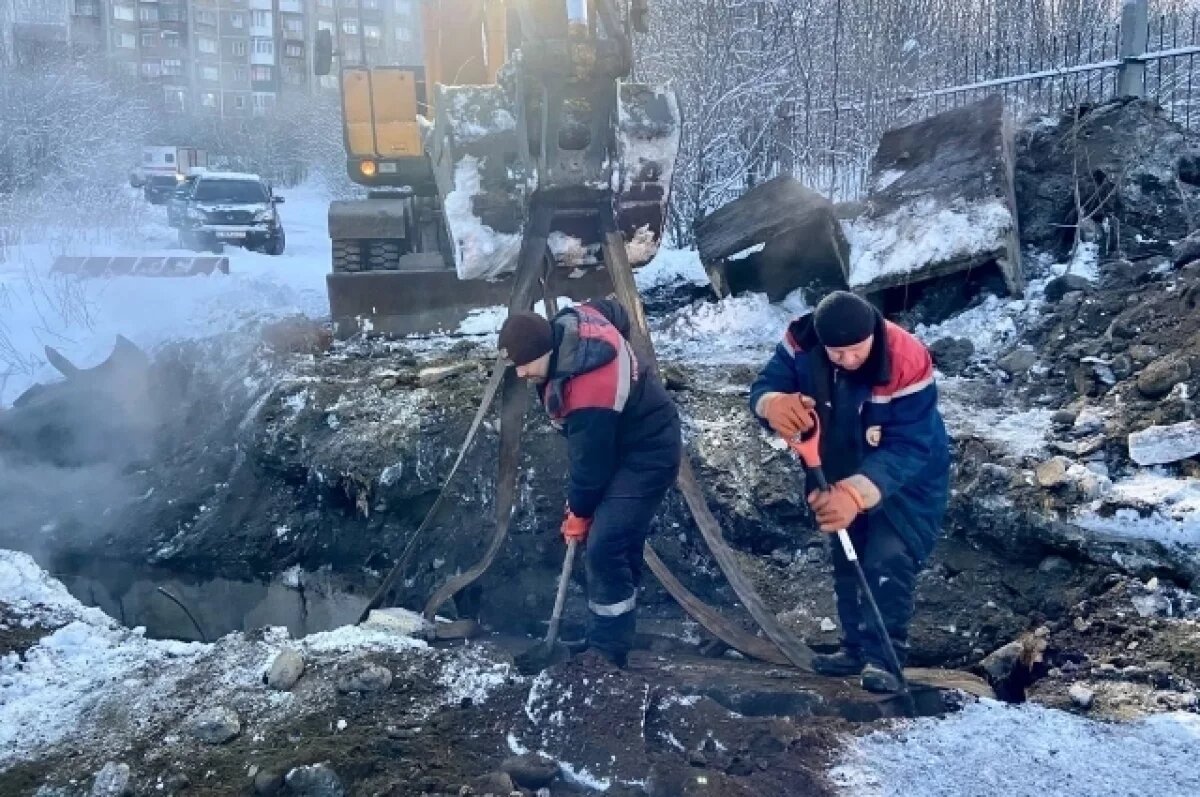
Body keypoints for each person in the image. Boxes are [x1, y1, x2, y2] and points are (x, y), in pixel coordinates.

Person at [748, 291, 950, 693]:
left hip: (906, 476)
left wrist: (856, 495)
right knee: (846, 551)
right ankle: (854, 649)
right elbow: (767, 385)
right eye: (837, 353)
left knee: (887, 556)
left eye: (856, 350)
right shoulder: (802, 342)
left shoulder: (906, 358)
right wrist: (771, 404)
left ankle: (885, 660)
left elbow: (910, 446)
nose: (848, 360)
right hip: (837, 463)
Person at [498, 299, 682, 668]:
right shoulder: (574, 321)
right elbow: (616, 312)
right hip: (619, 440)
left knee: (605, 542)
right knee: (616, 538)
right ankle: (606, 635)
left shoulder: (590, 392)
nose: (521, 374)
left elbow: (591, 466)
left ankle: (608, 650)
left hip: (649, 451)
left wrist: (579, 513)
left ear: (545, 350)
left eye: (525, 364)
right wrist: (629, 376)